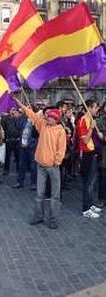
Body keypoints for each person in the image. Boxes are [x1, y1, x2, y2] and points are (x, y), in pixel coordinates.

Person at [14, 98, 66, 229]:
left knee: (55, 196)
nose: (47, 118)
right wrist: (20, 104)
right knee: (39, 194)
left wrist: (56, 162)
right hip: (41, 166)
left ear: (56, 119)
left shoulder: (60, 130)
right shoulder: (42, 125)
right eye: (47, 117)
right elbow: (31, 114)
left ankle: (53, 219)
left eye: (50, 117)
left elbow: (61, 149)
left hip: (53, 167)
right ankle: (38, 216)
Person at [77, 99, 104, 219]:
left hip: (93, 153)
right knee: (87, 182)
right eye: (95, 107)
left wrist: (99, 135)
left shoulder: (91, 119)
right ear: (89, 108)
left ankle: (90, 203)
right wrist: (92, 129)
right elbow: (85, 140)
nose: (97, 109)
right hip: (87, 154)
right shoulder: (83, 120)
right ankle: (86, 208)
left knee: (92, 181)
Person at [13, 108, 37, 189]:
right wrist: (17, 117)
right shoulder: (22, 118)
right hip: (22, 145)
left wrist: (34, 123)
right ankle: (20, 182)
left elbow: (37, 133)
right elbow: (17, 126)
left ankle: (33, 183)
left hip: (31, 146)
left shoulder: (36, 119)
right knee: (21, 164)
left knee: (33, 165)